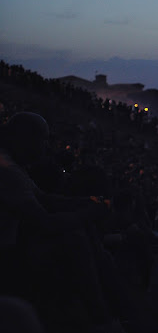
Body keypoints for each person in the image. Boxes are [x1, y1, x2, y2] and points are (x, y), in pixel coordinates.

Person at [0, 112, 114, 331]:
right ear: (23, 139)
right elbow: (45, 222)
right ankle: (102, 319)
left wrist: (86, 202)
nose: (45, 148)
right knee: (75, 238)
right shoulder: (8, 170)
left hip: (13, 244)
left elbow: (44, 198)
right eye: (42, 141)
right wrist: (88, 214)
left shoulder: (13, 164)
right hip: (6, 255)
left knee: (80, 234)